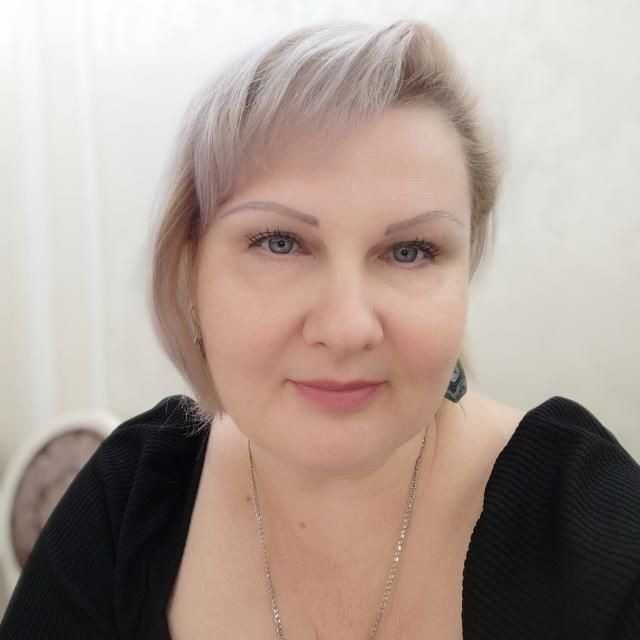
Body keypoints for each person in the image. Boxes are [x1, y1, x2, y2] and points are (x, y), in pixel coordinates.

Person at [1, 18, 639, 640]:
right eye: (280, 242)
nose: (346, 328)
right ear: (191, 271)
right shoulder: (126, 502)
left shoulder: (590, 528)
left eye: (410, 251)